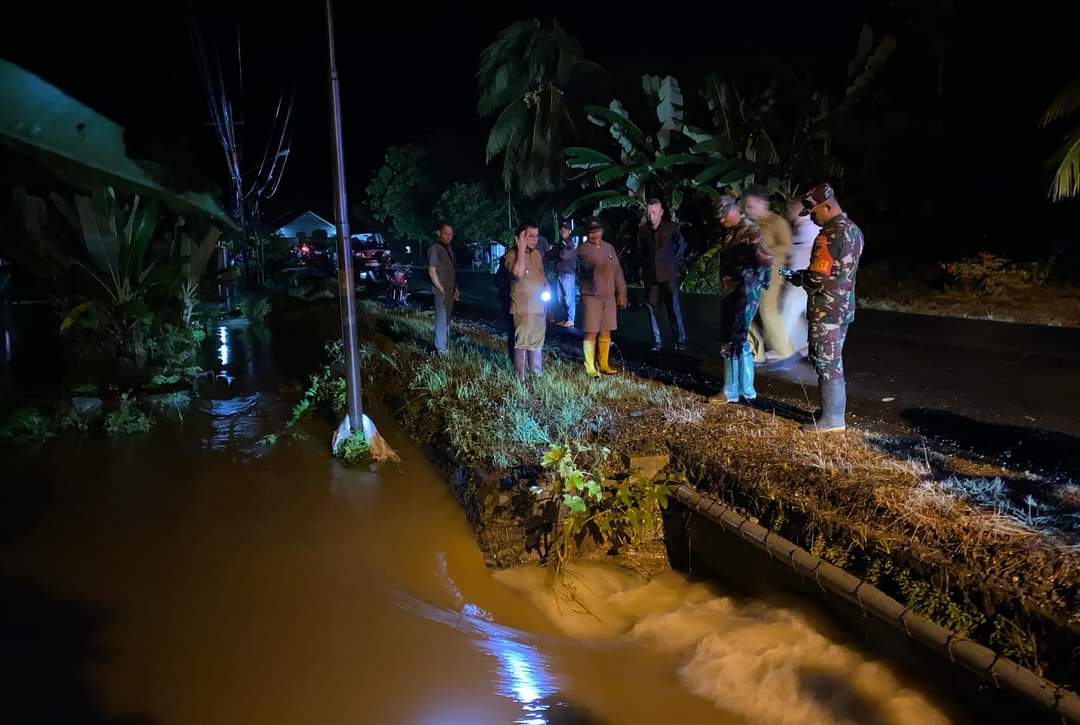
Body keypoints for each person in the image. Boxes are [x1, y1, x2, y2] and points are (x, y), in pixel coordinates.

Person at [785, 183, 865, 433]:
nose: (812, 217)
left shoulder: (828, 235)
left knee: (825, 362)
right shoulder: (854, 230)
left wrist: (801, 278)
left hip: (826, 309)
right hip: (844, 308)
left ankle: (832, 419)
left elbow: (817, 277)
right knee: (834, 360)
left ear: (828, 207)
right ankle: (831, 413)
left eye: (814, 212)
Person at [708, 195, 773, 404]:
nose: (720, 221)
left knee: (733, 339)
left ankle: (730, 390)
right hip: (731, 292)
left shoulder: (750, 231)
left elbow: (766, 260)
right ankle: (746, 390)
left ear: (733, 211)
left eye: (723, 216)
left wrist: (753, 283)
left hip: (743, 292)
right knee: (738, 338)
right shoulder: (731, 234)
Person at [744, 186, 798, 370]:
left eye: (751, 206)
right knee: (748, 314)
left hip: (773, 273)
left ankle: (786, 353)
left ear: (762, 204)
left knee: (768, 312)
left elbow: (787, 247)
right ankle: (756, 355)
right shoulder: (751, 224)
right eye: (747, 206)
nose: (748, 210)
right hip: (753, 274)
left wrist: (764, 252)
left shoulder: (777, 222)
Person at [577, 217, 627, 377]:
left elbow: (618, 271)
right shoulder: (583, 249)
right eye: (591, 232)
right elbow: (588, 264)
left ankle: (604, 363)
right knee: (591, 331)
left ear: (602, 231)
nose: (594, 235)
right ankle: (589, 365)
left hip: (608, 296)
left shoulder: (609, 248)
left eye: (597, 231)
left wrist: (622, 292)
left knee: (606, 331)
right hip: (591, 295)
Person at [637, 198, 688, 351]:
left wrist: (674, 260)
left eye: (654, 212)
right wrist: (643, 268)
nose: (651, 216)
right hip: (651, 276)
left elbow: (682, 244)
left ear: (661, 213)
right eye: (649, 213)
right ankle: (657, 341)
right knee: (652, 309)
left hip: (669, 275)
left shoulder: (671, 228)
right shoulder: (643, 231)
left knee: (673, 308)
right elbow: (639, 252)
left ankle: (680, 340)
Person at [502, 222, 549, 380]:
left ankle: (537, 375)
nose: (535, 240)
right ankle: (520, 378)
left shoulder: (536, 255)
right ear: (520, 237)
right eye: (530, 236)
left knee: (536, 342)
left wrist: (547, 286)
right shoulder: (511, 255)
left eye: (536, 236)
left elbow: (542, 275)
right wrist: (521, 249)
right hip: (523, 308)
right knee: (522, 343)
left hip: (539, 306)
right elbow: (518, 273)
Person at [781, 196, 820, 354]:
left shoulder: (808, 226)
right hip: (800, 277)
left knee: (788, 310)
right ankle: (801, 346)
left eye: (790, 209)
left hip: (803, 276)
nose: (788, 212)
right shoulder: (801, 225)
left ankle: (782, 349)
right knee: (794, 312)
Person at [427, 221, 459, 355]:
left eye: (451, 234)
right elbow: (432, 271)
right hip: (442, 292)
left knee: (446, 321)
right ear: (438, 233)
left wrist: (456, 288)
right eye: (446, 234)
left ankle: (444, 347)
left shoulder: (449, 249)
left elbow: (452, 270)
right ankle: (441, 350)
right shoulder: (435, 248)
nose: (449, 236)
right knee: (441, 320)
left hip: (450, 291)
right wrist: (440, 289)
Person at [552, 220, 578, 328]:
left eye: (566, 229)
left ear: (570, 231)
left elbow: (563, 256)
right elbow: (551, 254)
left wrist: (559, 250)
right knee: (560, 298)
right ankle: (565, 318)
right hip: (560, 273)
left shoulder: (570, 243)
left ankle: (571, 319)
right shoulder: (560, 243)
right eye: (562, 229)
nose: (563, 231)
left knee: (568, 297)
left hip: (568, 274)